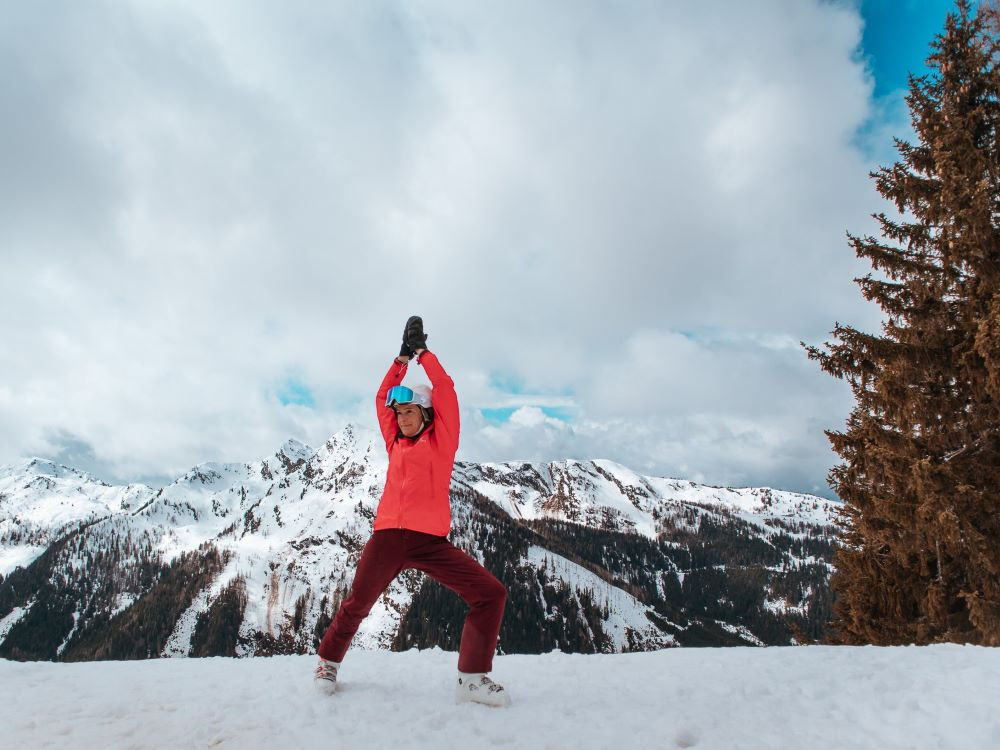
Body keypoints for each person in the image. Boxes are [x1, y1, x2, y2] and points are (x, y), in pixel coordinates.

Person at [314, 316, 511, 707]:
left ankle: (472, 678)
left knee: (491, 594)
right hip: (387, 538)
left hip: (430, 543)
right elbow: (381, 396)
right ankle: (327, 663)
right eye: (399, 413)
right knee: (358, 603)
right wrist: (401, 359)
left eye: (409, 412)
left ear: (425, 415)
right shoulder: (395, 443)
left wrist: (423, 354)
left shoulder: (442, 445)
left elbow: (445, 388)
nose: (401, 419)